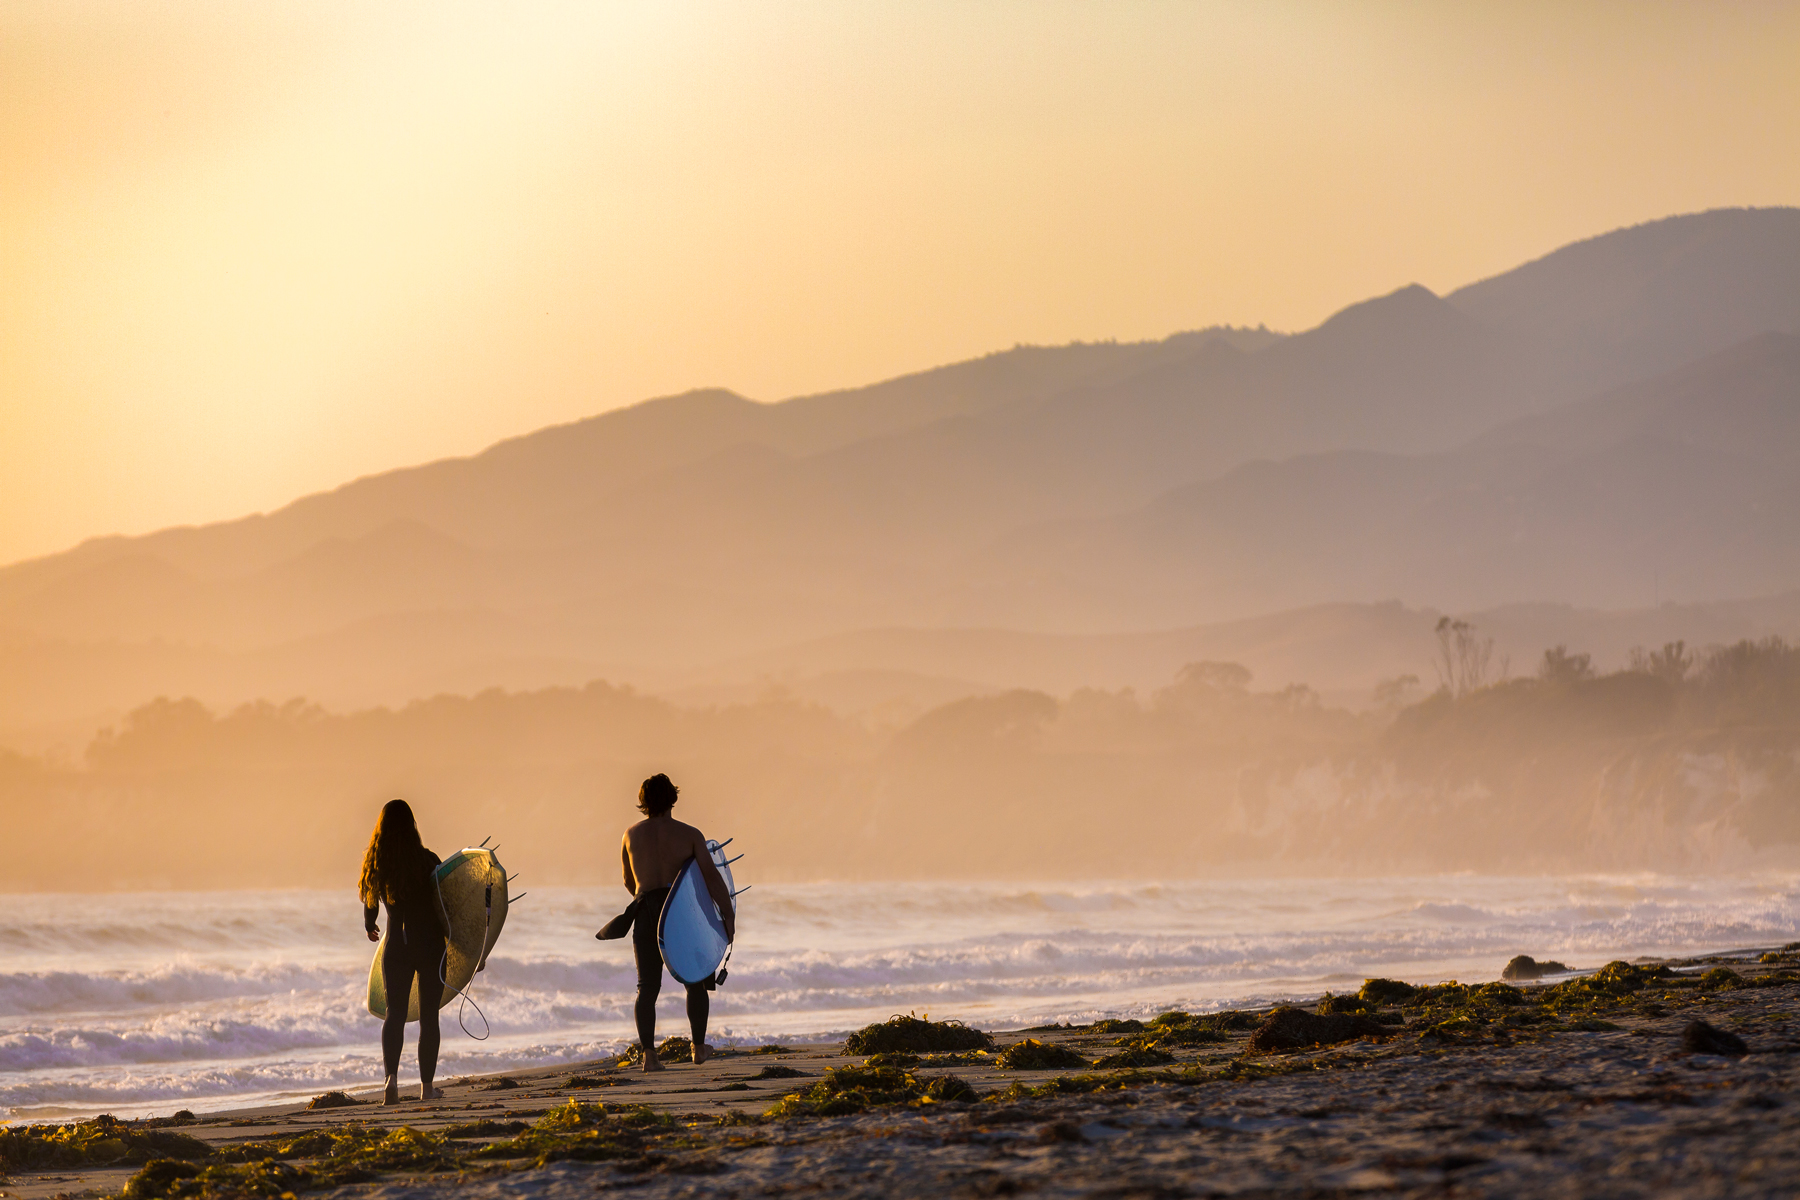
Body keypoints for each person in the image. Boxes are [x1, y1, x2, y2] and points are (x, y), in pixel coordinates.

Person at [621, 773, 736, 1070]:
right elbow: (711, 879)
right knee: (695, 981)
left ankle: (649, 1056)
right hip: (680, 912)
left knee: (647, 988)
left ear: (643, 802)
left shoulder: (630, 835)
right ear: (673, 798)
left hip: (645, 910)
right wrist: (728, 916)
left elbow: (628, 881)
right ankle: (698, 1048)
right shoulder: (690, 835)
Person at [359, 798, 452, 1104]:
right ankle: (426, 1088)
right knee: (429, 1017)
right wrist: (468, 946)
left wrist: (370, 925)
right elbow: (446, 905)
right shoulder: (427, 861)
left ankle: (391, 1082)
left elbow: (370, 907)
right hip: (429, 944)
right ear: (412, 826)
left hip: (396, 946)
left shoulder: (377, 865)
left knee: (394, 1015)